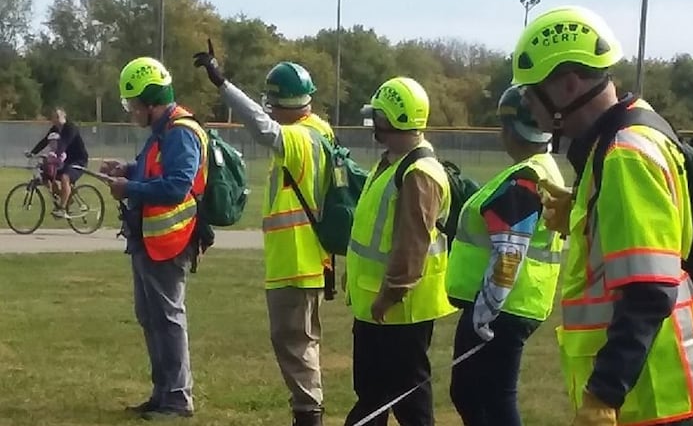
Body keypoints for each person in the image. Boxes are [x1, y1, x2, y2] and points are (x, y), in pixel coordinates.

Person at [511, 6, 693, 426]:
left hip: (644, 395)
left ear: (569, 85)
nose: (529, 109)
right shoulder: (625, 131)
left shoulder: (624, 153)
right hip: (645, 389)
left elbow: (649, 289)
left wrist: (603, 395)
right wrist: (585, 210)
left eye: (532, 94)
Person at [193, 42, 334, 426]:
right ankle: (308, 412)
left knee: (295, 345)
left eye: (271, 101)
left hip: (296, 261)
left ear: (283, 102)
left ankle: (308, 417)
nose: (268, 107)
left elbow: (262, 127)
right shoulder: (320, 130)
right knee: (301, 342)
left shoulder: (301, 138)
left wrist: (223, 85)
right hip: (306, 260)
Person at [446, 86, 564, 426]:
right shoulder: (541, 169)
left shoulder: (524, 178)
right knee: (474, 393)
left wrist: (486, 311)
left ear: (511, 129)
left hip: (503, 307)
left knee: (491, 399)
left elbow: (509, 250)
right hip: (515, 303)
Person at [344, 77, 456, 426]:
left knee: (409, 401)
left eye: (378, 115)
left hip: (400, 311)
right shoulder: (393, 163)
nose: (373, 123)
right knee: (373, 396)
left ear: (390, 119)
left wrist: (389, 294)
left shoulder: (418, 173)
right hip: (380, 307)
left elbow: (412, 245)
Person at [101, 56, 208, 420]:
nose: (132, 111)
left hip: (169, 241)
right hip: (150, 238)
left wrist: (128, 187)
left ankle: (178, 398)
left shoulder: (180, 131)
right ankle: (162, 393)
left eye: (133, 104)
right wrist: (127, 169)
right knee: (151, 317)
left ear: (149, 101)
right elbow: (153, 170)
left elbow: (178, 185)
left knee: (167, 318)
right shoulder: (163, 131)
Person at [27, 107, 89, 218]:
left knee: (65, 177)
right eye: (53, 117)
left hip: (78, 160)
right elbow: (45, 141)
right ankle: (64, 197)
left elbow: (64, 142)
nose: (55, 119)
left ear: (64, 116)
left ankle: (62, 209)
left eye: (57, 116)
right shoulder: (54, 129)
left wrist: (55, 154)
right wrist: (32, 153)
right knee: (47, 175)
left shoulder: (70, 128)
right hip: (64, 160)